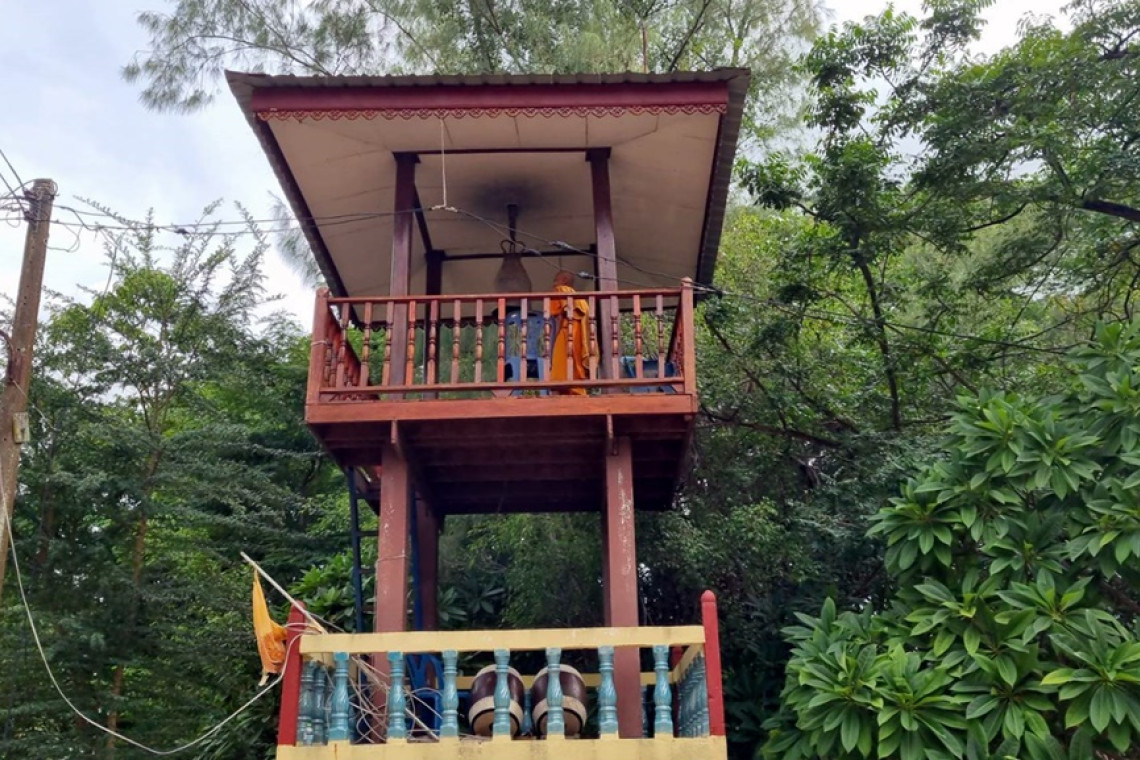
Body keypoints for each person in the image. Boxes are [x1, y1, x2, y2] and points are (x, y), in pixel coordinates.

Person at [549, 271, 591, 395]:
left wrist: (554, 338)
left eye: (555, 280)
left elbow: (558, 317)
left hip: (566, 332)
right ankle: (577, 390)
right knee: (574, 363)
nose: (554, 284)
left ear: (564, 280)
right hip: (580, 337)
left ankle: (561, 391)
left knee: (560, 363)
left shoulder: (560, 290)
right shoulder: (582, 300)